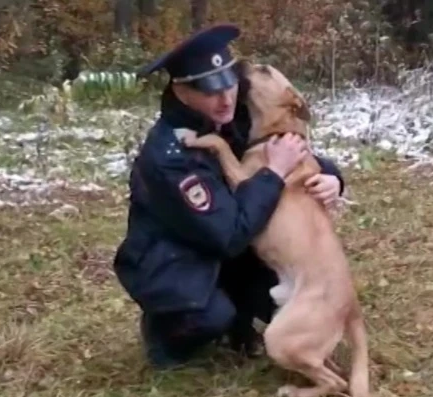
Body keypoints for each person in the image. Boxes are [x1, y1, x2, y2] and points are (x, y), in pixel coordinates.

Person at [112, 23, 347, 370]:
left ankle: (240, 314)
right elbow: (230, 233)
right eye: (210, 90)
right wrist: (275, 173)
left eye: (230, 84)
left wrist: (331, 178)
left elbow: (280, 148)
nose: (225, 99)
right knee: (211, 316)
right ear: (180, 90)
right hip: (176, 258)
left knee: (286, 294)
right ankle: (166, 335)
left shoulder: (227, 116)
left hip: (226, 239)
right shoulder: (169, 157)